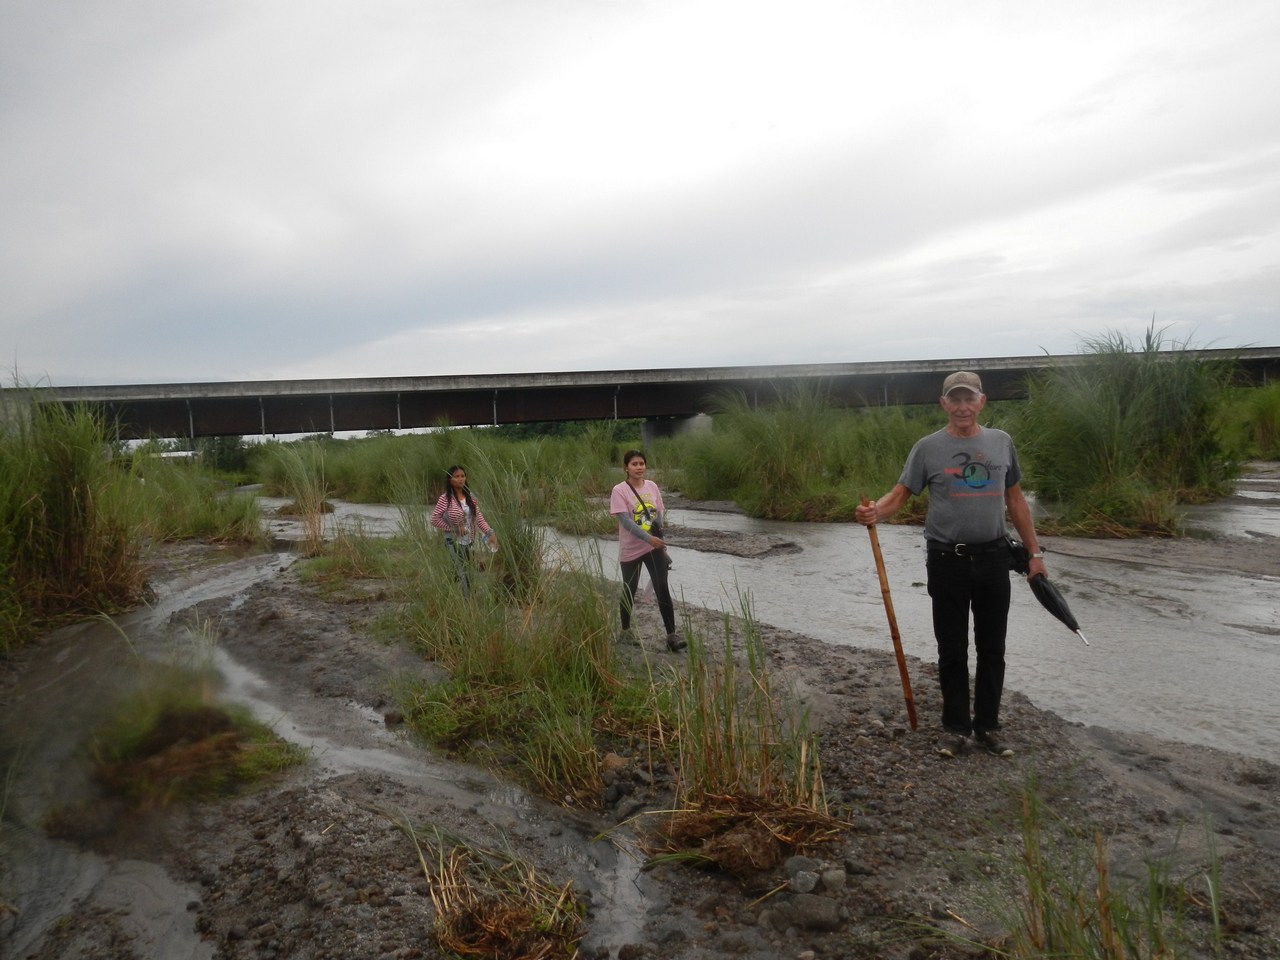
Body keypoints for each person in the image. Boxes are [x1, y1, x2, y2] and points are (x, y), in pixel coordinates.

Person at [856, 371, 1046, 758]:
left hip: (994, 558)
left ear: (982, 402)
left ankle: (988, 727)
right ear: (943, 404)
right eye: (954, 400)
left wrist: (1035, 554)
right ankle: (956, 728)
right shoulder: (927, 448)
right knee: (952, 649)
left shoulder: (1001, 442)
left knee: (992, 648)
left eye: (969, 399)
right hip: (946, 560)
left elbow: (1015, 500)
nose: (962, 407)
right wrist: (875, 512)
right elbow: (900, 494)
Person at [610, 449, 686, 653]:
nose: (639, 467)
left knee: (662, 586)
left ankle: (672, 636)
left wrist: (659, 540)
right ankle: (625, 632)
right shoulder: (619, 490)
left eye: (641, 463)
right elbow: (625, 521)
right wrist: (648, 539)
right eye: (634, 464)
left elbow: (658, 514)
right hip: (631, 548)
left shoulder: (652, 486)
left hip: (653, 547)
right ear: (626, 468)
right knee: (630, 588)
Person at [430, 465, 498, 595]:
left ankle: (454, 593)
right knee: (462, 570)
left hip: (468, 540)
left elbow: (479, 518)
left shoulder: (470, 497)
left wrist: (489, 532)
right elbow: (434, 520)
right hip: (452, 541)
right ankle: (467, 598)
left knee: (465, 569)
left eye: (462, 476)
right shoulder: (445, 499)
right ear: (450, 480)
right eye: (456, 476)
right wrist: (453, 529)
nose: (460, 479)